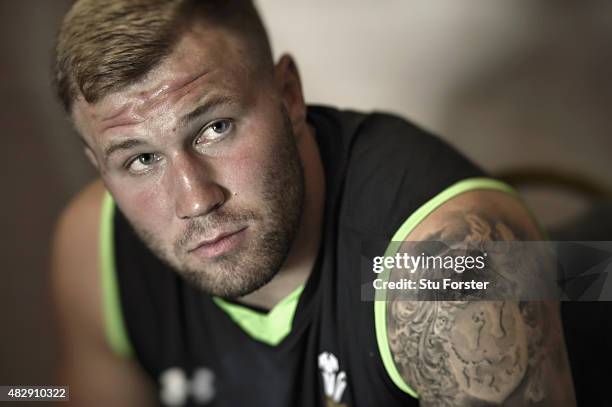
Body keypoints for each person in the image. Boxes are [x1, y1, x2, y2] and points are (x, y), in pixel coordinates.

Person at [50, 0, 576, 406]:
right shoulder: (93, 250)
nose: (195, 200)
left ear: (289, 95)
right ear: (100, 166)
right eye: (140, 160)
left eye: (215, 128)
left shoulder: (453, 270)